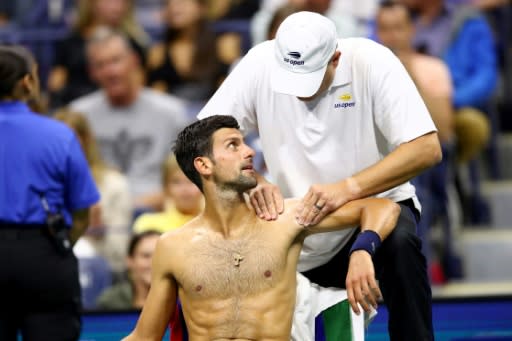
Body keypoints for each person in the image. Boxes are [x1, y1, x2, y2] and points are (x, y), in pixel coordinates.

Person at [198, 11, 442, 340]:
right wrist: (251, 180)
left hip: (373, 212)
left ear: (335, 58)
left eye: (309, 78)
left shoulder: (373, 62)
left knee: (401, 243)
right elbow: (201, 141)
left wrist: (348, 188)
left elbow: (426, 148)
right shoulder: (260, 63)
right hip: (293, 218)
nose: (300, 92)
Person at [123, 115, 401, 340]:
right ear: (203, 165)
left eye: (244, 143)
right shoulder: (173, 246)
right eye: (233, 145)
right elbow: (146, 336)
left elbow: (382, 208)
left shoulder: (285, 218)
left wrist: (362, 251)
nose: (249, 151)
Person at [0, 46, 100, 340]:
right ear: (27, 82)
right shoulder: (58, 135)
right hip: (42, 254)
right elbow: (83, 211)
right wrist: (57, 247)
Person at [70, 28, 190, 212]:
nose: (110, 71)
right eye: (101, 65)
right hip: (97, 217)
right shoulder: (78, 115)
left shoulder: (171, 112)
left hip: (158, 215)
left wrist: (133, 207)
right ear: (91, 72)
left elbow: (188, 177)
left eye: (116, 61)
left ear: (134, 61)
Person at [54, 109, 133, 275]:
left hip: (100, 270)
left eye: (71, 138)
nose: (63, 146)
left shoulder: (114, 184)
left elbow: (120, 255)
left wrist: (98, 230)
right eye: (56, 139)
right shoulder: (42, 184)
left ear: (86, 140)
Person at [48, 0, 150, 108]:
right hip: (76, 109)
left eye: (121, 2)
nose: (116, 7)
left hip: (119, 106)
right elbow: (56, 84)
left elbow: (139, 84)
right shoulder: (71, 43)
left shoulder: (133, 44)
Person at [133, 154, 203, 234]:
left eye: (191, 180)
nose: (185, 189)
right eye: (176, 182)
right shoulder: (148, 224)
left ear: (203, 185)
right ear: (166, 188)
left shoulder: (216, 223)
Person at [96, 230, 161, 310]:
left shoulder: (179, 300)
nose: (153, 263)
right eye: (146, 256)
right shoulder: (110, 301)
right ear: (130, 260)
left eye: (159, 255)